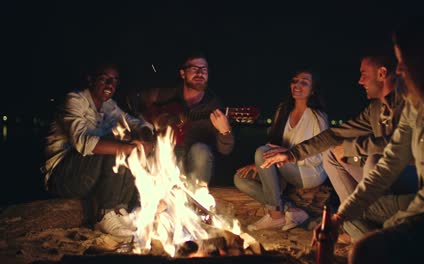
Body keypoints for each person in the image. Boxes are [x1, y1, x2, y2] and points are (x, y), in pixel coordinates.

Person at [314, 17, 424, 263]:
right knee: (353, 208)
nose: (400, 70)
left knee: (364, 249)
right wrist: (338, 217)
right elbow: (391, 161)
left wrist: (393, 228)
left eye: (404, 61)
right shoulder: (415, 107)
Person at [260, 51, 417, 240]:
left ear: (382, 74)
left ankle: (361, 221)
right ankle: (356, 223)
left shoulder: (411, 104)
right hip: (384, 178)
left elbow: (400, 146)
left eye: (364, 74)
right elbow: (335, 134)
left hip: (410, 176)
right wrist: (292, 154)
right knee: (332, 155)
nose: (360, 81)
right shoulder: (375, 109)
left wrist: (353, 148)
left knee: (372, 162)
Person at [43, 63, 154, 237]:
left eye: (115, 80)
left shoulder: (109, 105)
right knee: (116, 145)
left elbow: (134, 123)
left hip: (88, 175)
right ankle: (103, 215)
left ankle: (119, 210)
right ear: (90, 79)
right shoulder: (74, 100)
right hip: (63, 175)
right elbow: (83, 142)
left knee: (127, 144)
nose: (110, 84)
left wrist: (145, 137)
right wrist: (127, 147)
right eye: (104, 79)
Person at [234, 69, 329, 231]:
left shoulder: (318, 117)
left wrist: (285, 153)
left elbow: (320, 158)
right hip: (285, 168)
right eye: (295, 81)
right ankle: (291, 210)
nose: (297, 85)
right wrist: (259, 165)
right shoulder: (283, 110)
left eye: (304, 82)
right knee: (240, 179)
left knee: (262, 152)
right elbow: (273, 146)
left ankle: (275, 217)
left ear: (313, 90)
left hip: (310, 171)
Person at [141, 53, 234, 188]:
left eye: (204, 69)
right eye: (194, 69)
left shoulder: (214, 106)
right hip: (167, 154)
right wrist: (152, 121)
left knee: (201, 150)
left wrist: (225, 131)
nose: (200, 73)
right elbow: (138, 100)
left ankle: (196, 198)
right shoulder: (167, 95)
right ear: (183, 73)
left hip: (194, 159)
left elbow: (226, 150)